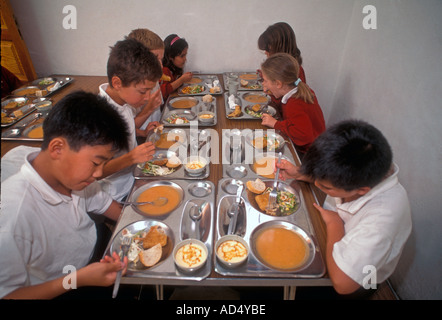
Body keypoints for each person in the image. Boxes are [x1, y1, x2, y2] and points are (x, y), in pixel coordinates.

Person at [0, 91, 130, 299]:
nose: (98, 174)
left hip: (93, 249)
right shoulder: (13, 215)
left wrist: (141, 222)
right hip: (62, 284)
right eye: (96, 163)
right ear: (57, 148)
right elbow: (8, 293)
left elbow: (108, 206)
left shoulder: (75, 178)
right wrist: (77, 279)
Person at [276, 119, 412, 296]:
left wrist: (334, 224)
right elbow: (335, 176)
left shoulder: (382, 221)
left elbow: (343, 284)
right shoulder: (364, 169)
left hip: (359, 280)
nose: (318, 184)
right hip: (334, 239)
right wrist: (303, 174)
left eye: (326, 187)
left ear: (362, 190)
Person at [98, 38, 162, 201]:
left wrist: (140, 132)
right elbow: (96, 172)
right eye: (143, 91)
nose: (147, 98)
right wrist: (131, 157)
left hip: (135, 175)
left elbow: (124, 128)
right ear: (117, 83)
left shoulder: (122, 101)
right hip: (118, 193)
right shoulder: (100, 118)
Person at [260, 53, 325, 154]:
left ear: (278, 84)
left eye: (265, 80)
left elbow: (303, 135)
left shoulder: (295, 103)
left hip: (309, 153)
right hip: (315, 146)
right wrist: (272, 93)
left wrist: (276, 124)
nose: (263, 84)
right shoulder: (297, 90)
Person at [126, 28, 164, 131]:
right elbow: (129, 130)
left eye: (161, 59)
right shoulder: (129, 88)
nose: (160, 66)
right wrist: (148, 108)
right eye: (156, 59)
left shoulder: (153, 79)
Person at [160, 34, 193, 99]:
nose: (185, 59)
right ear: (170, 56)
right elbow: (162, 92)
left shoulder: (174, 68)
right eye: (182, 56)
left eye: (185, 55)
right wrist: (181, 80)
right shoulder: (164, 70)